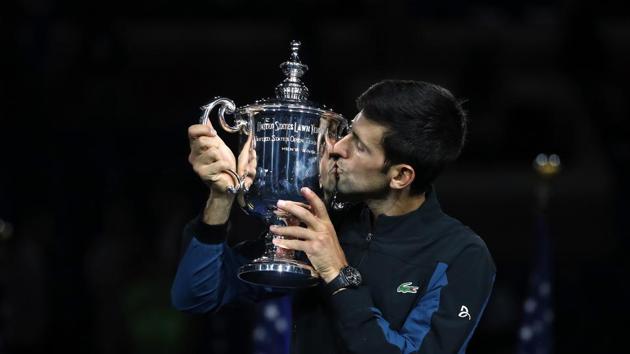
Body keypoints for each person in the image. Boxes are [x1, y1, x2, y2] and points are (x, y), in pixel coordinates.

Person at [171, 80, 496, 354]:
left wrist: (338, 273)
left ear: (400, 176)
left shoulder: (462, 254)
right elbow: (196, 295)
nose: (336, 148)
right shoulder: (328, 225)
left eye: (358, 145)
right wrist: (221, 196)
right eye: (347, 132)